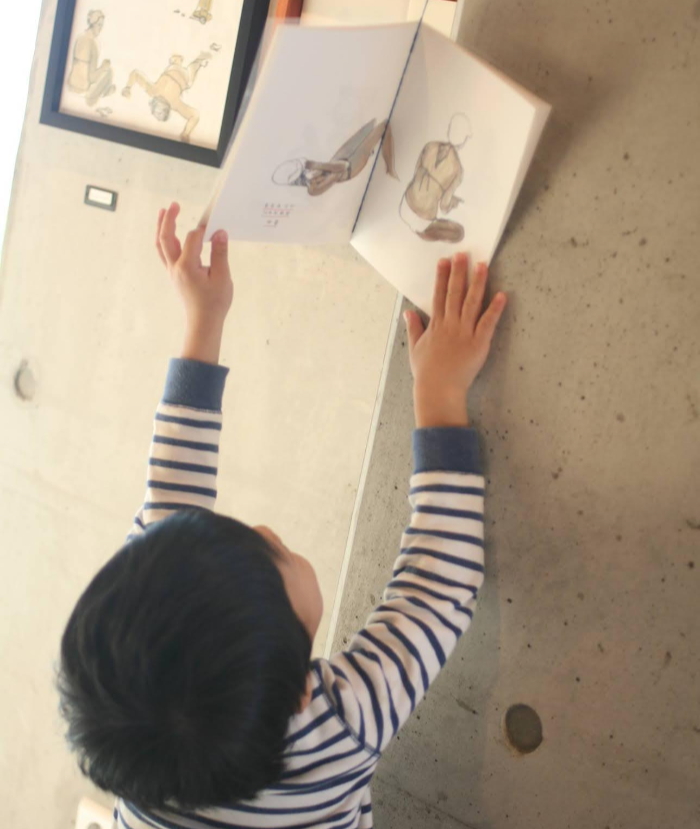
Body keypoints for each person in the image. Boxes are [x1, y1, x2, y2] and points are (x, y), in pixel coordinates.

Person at [56, 202, 507, 827]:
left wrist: (203, 319)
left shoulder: (145, 753)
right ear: (303, 691)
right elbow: (437, 589)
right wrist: (440, 392)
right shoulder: (341, 730)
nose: (267, 531)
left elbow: (170, 499)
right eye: (276, 557)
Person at [273, 118, 398, 196]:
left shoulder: (313, 174)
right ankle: (389, 168)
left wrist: (317, 167)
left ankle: (387, 166)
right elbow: (342, 168)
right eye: (302, 171)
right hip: (349, 167)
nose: (306, 170)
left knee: (369, 126)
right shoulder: (313, 189)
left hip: (340, 159)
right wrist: (317, 165)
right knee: (384, 126)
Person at [400, 112, 473, 243]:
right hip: (423, 219)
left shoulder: (430, 146)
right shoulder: (458, 171)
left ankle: (423, 230)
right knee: (458, 233)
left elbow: (416, 174)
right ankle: (424, 231)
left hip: (405, 204)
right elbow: (444, 207)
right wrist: (452, 203)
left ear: (449, 129)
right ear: (464, 140)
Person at [122, 53, 211, 143]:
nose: (159, 112)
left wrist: (128, 87)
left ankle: (186, 61)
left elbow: (136, 73)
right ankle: (183, 61)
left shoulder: (157, 94)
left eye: (157, 112)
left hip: (179, 73)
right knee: (190, 74)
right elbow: (195, 115)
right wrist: (186, 133)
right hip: (177, 72)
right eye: (161, 114)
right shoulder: (160, 96)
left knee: (190, 76)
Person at [66, 10, 115, 108]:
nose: (101, 28)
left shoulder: (80, 38)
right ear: (93, 24)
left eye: (102, 25)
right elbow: (92, 78)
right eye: (99, 25)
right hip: (83, 89)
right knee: (109, 70)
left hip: (71, 84)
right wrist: (103, 67)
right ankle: (102, 93)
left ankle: (105, 92)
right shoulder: (93, 44)